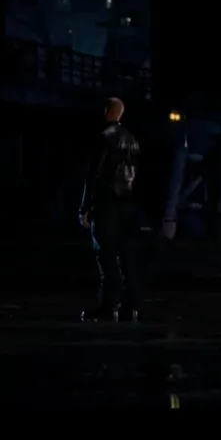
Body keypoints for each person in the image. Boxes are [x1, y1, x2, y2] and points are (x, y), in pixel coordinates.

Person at [78, 96, 142, 322]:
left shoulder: (103, 137)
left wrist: (84, 207)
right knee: (127, 257)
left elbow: (94, 174)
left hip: (107, 203)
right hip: (128, 203)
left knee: (106, 255)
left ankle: (108, 305)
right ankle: (130, 306)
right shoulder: (132, 140)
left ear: (107, 111)